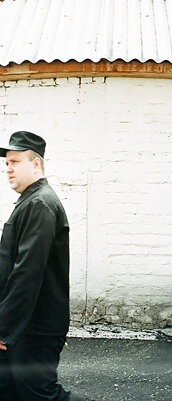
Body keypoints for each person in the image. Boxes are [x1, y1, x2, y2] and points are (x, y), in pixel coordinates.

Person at [0, 131, 87, 401]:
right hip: (25, 325)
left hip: (34, 328)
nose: (8, 168)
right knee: (11, 390)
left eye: (15, 162)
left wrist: (4, 327)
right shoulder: (30, 201)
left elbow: (27, 272)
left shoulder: (39, 204)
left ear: (35, 164)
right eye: (7, 163)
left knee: (40, 393)